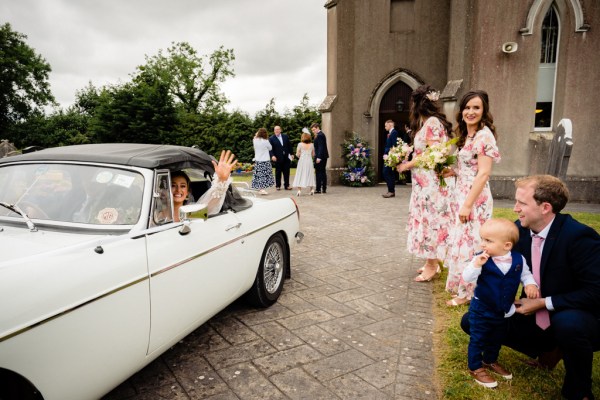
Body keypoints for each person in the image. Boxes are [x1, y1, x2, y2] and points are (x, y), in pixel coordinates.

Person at [461, 175, 600, 400]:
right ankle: (548, 350)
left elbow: (596, 292)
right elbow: (499, 263)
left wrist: (543, 302)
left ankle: (579, 390)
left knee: (568, 324)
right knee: (472, 320)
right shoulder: (519, 231)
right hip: (533, 316)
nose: (515, 208)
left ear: (545, 207)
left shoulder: (579, 237)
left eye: (522, 203)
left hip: (575, 317)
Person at [463, 218, 539, 388]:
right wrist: (476, 265)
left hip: (504, 310)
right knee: (478, 338)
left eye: (488, 241)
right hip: (482, 309)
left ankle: (490, 360)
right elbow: (467, 277)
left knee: (497, 337)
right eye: (482, 239)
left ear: (507, 246)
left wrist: (530, 284)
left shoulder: (519, 259)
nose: (483, 244)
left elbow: (525, 274)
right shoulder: (481, 259)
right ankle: (475, 366)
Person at [445, 90, 501, 307]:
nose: (471, 112)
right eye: (467, 107)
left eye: (476, 107)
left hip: (475, 197)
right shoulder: (467, 135)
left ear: (484, 110)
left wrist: (468, 205)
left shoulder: (484, 136)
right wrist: (452, 172)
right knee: (463, 241)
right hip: (462, 192)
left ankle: (467, 293)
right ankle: (465, 286)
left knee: (472, 243)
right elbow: (468, 168)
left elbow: (484, 173)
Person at [397, 85, 454, 282]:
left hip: (430, 184)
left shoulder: (431, 122)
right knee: (427, 218)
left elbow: (434, 153)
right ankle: (432, 261)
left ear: (416, 104)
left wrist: (407, 164)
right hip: (423, 182)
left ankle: (432, 265)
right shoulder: (426, 123)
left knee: (430, 220)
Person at [170, 150, 237, 222]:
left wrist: (221, 180)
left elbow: (211, 202)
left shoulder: (193, 212)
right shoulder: (156, 215)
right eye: (173, 185)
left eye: (182, 186)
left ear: (187, 192)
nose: (178, 190)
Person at [292, 128, 316, 196]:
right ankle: (312, 189)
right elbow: (313, 154)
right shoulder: (312, 145)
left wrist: (300, 155)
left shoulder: (300, 144)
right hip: (309, 161)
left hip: (302, 161)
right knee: (310, 174)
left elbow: (297, 154)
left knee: (300, 174)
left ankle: (299, 190)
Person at [251, 127, 275, 195]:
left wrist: (256, 134)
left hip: (258, 160)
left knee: (259, 175)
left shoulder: (255, 140)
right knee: (263, 175)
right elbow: (270, 148)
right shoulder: (266, 141)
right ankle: (262, 189)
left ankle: (260, 188)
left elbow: (255, 136)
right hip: (265, 160)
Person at [269, 126, 294, 191]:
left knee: (286, 172)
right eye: (275, 130)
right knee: (278, 172)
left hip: (286, 157)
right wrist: (272, 156)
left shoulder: (285, 136)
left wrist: (292, 154)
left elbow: (289, 145)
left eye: (278, 129)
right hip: (277, 158)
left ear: (280, 130)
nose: (276, 131)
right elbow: (270, 149)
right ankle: (278, 185)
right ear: (274, 131)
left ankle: (287, 185)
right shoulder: (271, 138)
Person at [382, 119, 399, 198]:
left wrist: (388, 154)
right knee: (389, 173)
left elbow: (394, 145)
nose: (385, 127)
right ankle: (391, 191)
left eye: (386, 125)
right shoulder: (390, 133)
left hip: (390, 156)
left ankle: (391, 191)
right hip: (388, 155)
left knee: (386, 172)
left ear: (390, 125)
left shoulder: (394, 132)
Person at [311, 122, 329, 194]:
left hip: (320, 157)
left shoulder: (320, 135)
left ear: (318, 128)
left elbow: (321, 147)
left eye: (314, 129)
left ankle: (319, 189)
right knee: (322, 172)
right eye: (312, 130)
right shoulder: (319, 135)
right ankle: (323, 188)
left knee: (319, 172)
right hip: (322, 156)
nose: (313, 131)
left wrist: (318, 157)